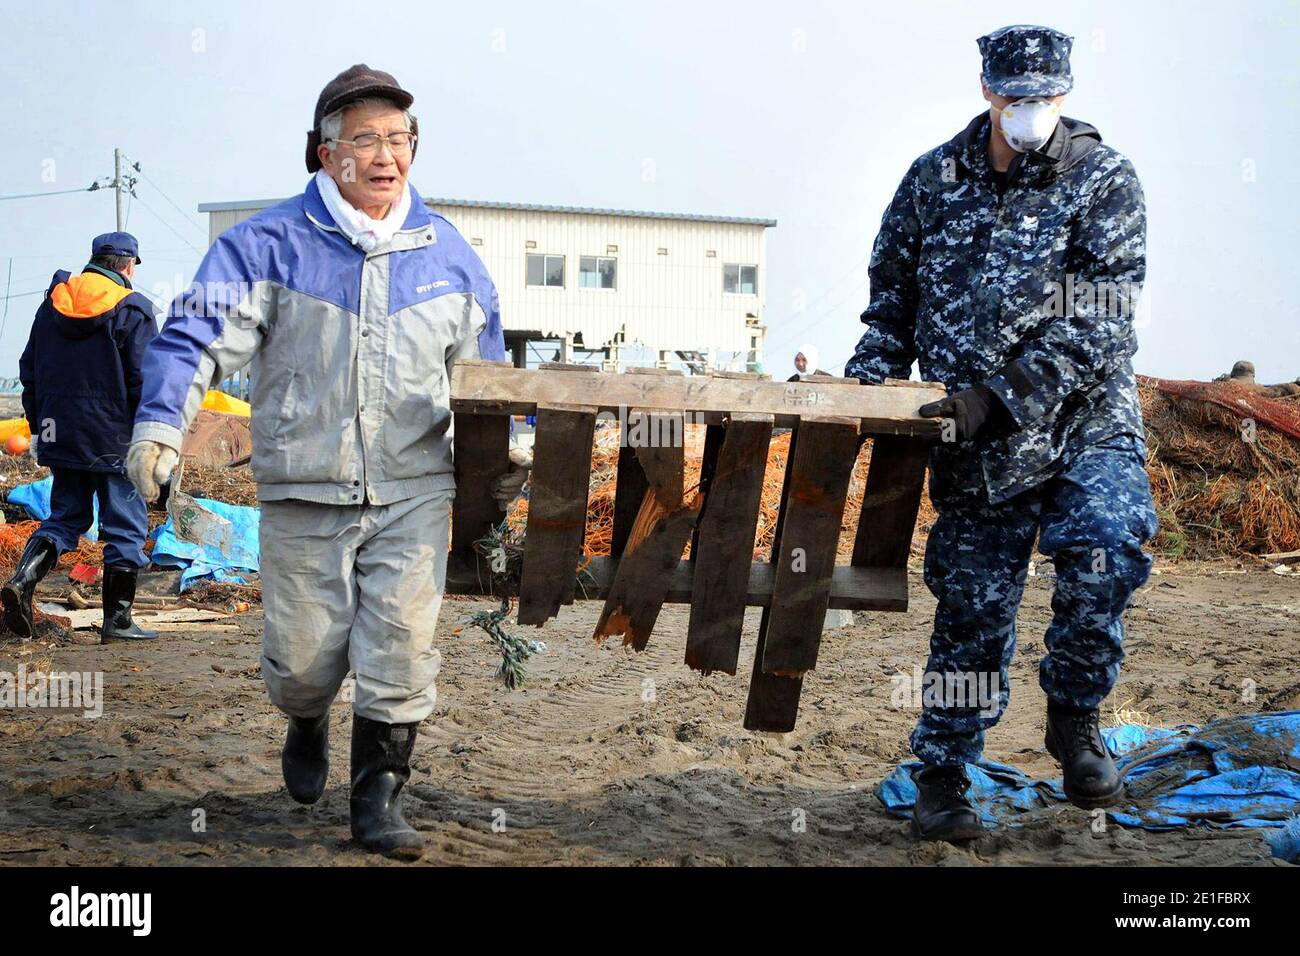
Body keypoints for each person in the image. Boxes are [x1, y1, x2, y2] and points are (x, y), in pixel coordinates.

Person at [125, 65, 527, 860]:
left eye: (401, 138)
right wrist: (161, 426)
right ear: (324, 153)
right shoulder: (266, 246)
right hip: (306, 490)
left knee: (402, 648)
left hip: (414, 490)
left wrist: (504, 450)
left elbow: (487, 377)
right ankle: (306, 718)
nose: (388, 155)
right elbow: (192, 339)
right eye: (367, 139)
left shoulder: (448, 255)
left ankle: (377, 798)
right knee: (305, 663)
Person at [845, 25, 1158, 841]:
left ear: (1067, 92)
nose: (1031, 112)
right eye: (1016, 97)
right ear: (987, 90)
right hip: (978, 447)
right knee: (973, 614)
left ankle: (1076, 717)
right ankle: (944, 775)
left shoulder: (1105, 180)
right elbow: (890, 309)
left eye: (1047, 97)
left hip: (1083, 424)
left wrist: (1002, 394)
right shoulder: (931, 180)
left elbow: (1102, 324)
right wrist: (866, 388)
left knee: (1107, 551)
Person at [4, 232, 158, 643]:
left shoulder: (52, 303)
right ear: (128, 266)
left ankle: (21, 581)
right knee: (125, 526)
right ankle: (118, 622)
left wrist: (42, 428)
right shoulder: (134, 311)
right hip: (115, 440)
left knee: (65, 519)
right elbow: (146, 381)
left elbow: (29, 369)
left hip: (63, 433)